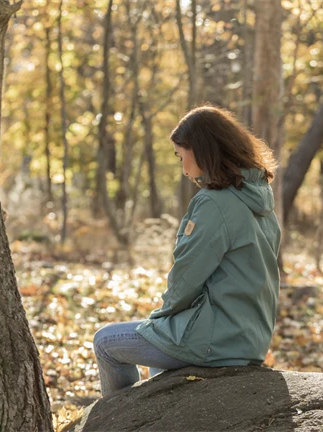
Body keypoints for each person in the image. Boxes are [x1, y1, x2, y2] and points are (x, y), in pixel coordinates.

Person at [92, 105, 282, 397]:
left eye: (182, 156)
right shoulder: (261, 201)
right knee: (160, 367)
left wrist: (160, 317)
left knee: (106, 343)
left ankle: (114, 423)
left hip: (217, 339)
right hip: (251, 338)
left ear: (203, 150)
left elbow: (185, 278)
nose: (183, 168)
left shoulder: (214, 203)